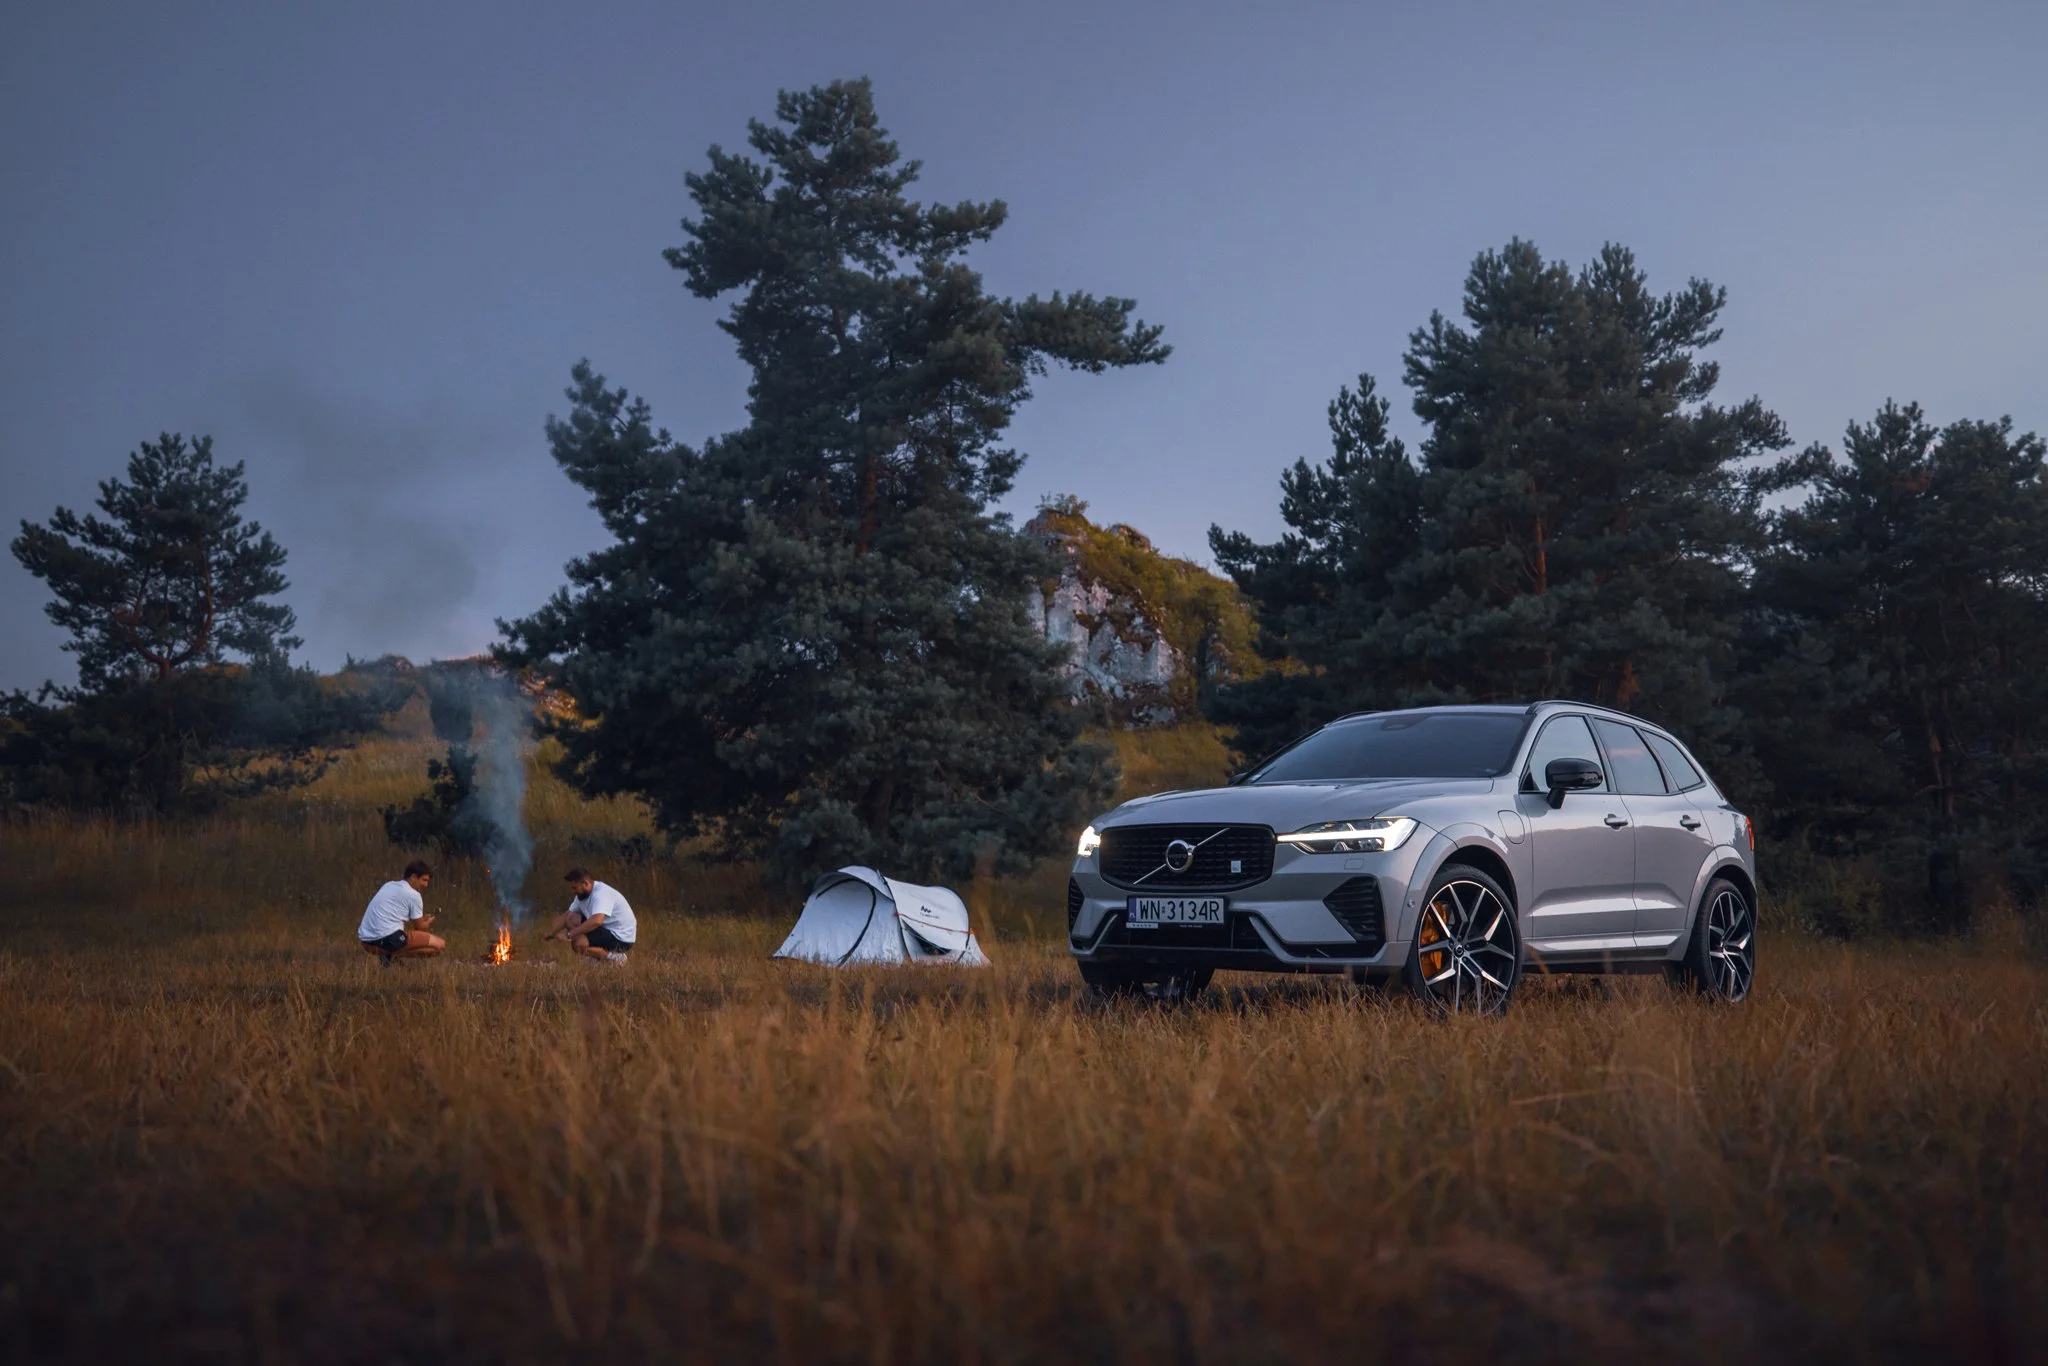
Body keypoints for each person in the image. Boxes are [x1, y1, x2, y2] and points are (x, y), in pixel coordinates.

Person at [544, 866, 638, 963]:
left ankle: (615, 958)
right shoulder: (581, 896)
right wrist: (551, 933)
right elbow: (567, 915)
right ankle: (596, 958)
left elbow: (597, 921)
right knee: (571, 918)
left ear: (585, 883)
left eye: (574, 888)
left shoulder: (601, 894)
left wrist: (568, 935)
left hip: (621, 938)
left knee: (578, 942)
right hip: (607, 929)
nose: (572, 891)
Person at [357, 860, 444, 964]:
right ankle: (391, 956)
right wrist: (428, 922)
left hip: (367, 943)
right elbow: (420, 928)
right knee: (439, 945)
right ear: (413, 877)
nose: (426, 885)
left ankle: (389, 956)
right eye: (424, 880)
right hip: (388, 940)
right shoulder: (414, 895)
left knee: (407, 938)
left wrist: (421, 920)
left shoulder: (389, 885)